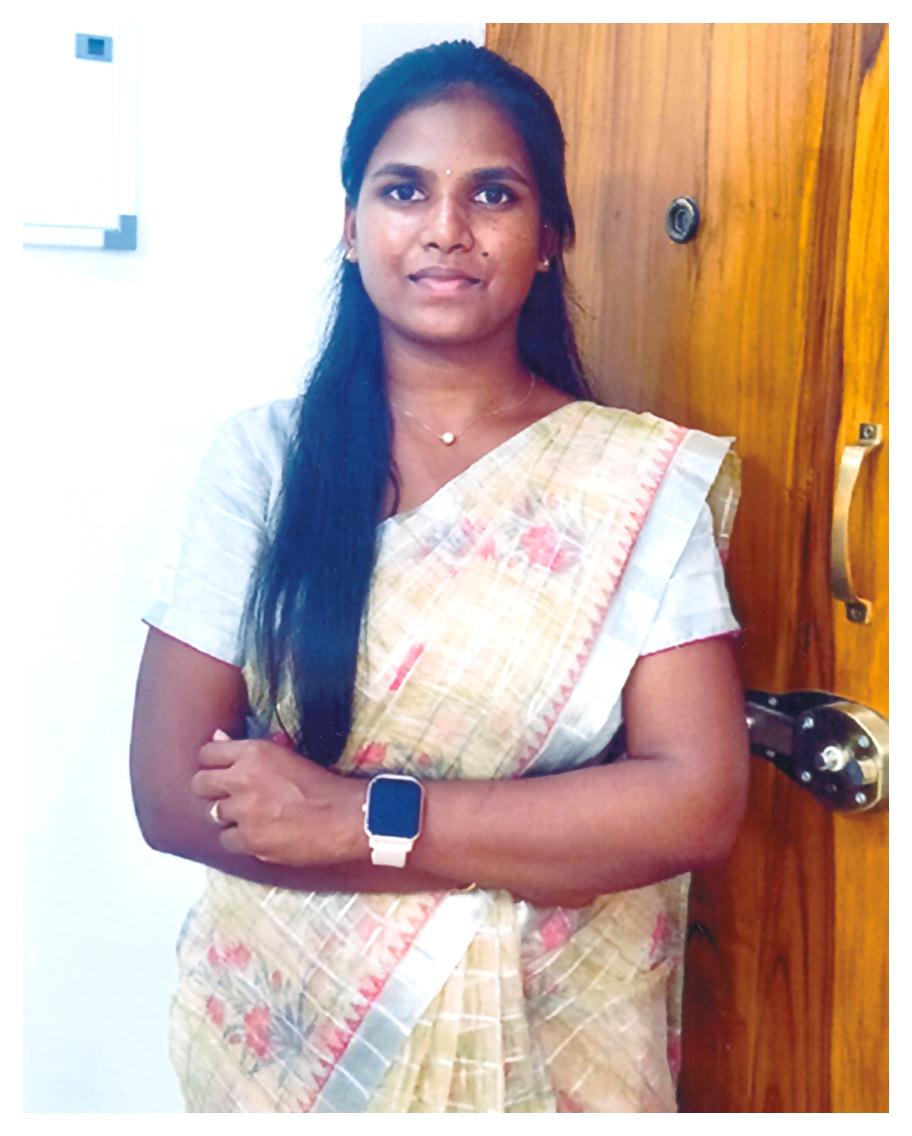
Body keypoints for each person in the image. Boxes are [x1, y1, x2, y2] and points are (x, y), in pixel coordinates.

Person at [130, 40, 749, 1113]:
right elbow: (170, 791)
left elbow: (692, 799)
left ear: (550, 237)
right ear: (350, 223)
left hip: (554, 1042)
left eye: (493, 194)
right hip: (289, 1035)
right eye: (404, 189)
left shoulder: (632, 482)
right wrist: (533, 840)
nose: (446, 229)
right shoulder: (264, 461)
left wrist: (359, 815)